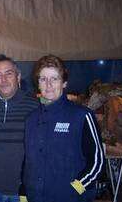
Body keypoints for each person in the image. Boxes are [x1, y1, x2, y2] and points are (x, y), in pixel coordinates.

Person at [19, 55, 104, 202]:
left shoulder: (82, 116)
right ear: (38, 83)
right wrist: (24, 191)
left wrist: (76, 188)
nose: (48, 84)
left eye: (54, 79)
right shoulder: (31, 119)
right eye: (43, 79)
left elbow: (97, 162)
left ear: (64, 83)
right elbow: (28, 160)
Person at [0, 54, 39, 202]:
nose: (3, 80)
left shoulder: (35, 106)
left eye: (8, 74)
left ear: (18, 77)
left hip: (24, 189)